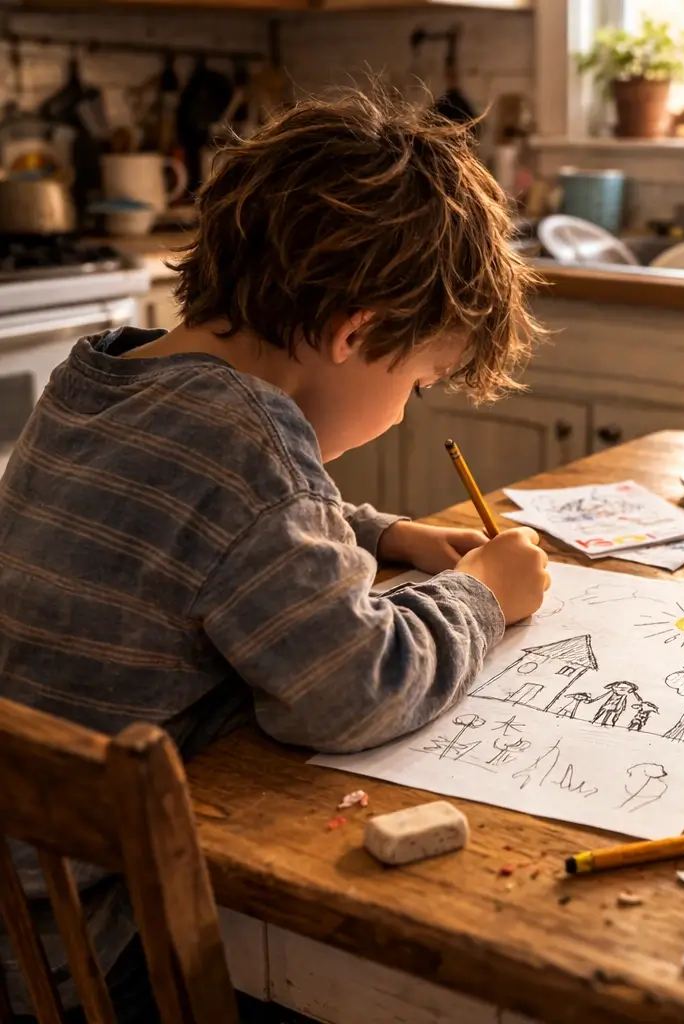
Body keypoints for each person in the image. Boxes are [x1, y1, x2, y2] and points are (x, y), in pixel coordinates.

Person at [0, 88, 548, 1021]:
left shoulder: (98, 375)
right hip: (95, 959)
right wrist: (479, 595)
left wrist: (381, 534)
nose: (408, 407)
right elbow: (353, 689)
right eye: (417, 382)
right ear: (355, 333)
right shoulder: (249, 444)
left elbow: (204, 523)